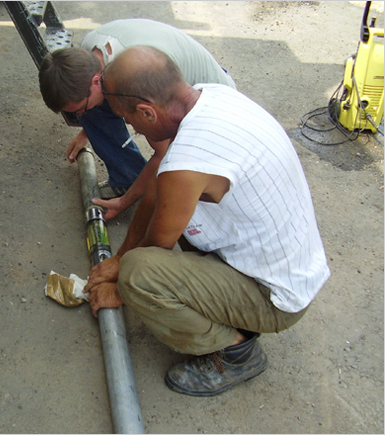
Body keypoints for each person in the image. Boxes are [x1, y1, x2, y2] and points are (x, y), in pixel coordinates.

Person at [83, 46, 330, 396]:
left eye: (130, 120)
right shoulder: (213, 97)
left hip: (275, 297)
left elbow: (153, 252)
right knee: (141, 250)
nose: (134, 131)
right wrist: (117, 258)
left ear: (147, 111)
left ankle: (236, 352)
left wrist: (120, 282)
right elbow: (157, 189)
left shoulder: (186, 163)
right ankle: (222, 303)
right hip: (292, 268)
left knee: (140, 275)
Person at [39, 19, 235, 220]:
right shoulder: (88, 54)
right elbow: (91, 101)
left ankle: (133, 188)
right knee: (94, 107)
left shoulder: (136, 81)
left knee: (178, 171)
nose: (81, 116)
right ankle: (127, 178)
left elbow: (162, 154)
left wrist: (124, 203)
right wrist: (87, 132)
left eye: (80, 109)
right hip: (159, 82)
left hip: (215, 101)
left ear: (97, 81)